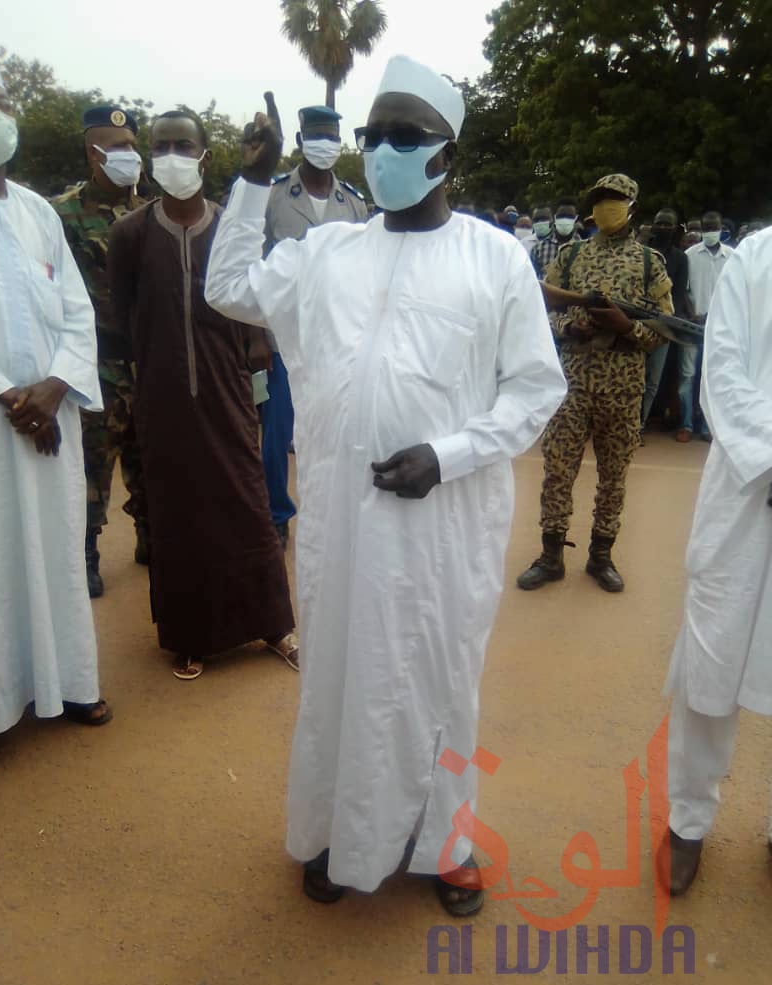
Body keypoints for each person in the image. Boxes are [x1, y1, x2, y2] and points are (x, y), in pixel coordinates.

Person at [204, 58, 567, 914]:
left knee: (437, 677)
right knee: (338, 674)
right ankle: (337, 828)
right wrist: (253, 183)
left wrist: (449, 453)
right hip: (341, 513)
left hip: (443, 522)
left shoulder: (496, 257)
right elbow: (226, 290)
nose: (384, 152)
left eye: (406, 137)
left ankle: (448, 845)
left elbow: (534, 387)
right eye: (375, 136)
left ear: (449, 155)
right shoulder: (328, 250)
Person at [106, 109, 297, 680]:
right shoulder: (129, 235)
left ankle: (271, 624)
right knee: (177, 515)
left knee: (246, 503)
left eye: (182, 145)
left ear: (204, 156)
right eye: (161, 145)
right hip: (161, 398)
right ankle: (189, 635)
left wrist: (258, 340)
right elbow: (122, 316)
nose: (171, 155)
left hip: (227, 389)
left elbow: (253, 294)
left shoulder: (228, 228)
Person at [657, 218, 772, 914]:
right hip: (747, 488)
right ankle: (688, 820)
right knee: (711, 661)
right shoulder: (761, 255)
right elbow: (723, 367)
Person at [0, 60, 111, 775]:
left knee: (58, 554)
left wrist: (58, 384)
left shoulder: (38, 211)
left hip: (51, 418)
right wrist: (9, 393)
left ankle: (68, 684)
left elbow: (77, 310)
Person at [517, 173, 672, 594]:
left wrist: (628, 329)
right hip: (571, 384)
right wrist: (572, 328)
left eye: (616, 200)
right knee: (557, 472)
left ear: (632, 206)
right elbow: (542, 311)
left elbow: (664, 330)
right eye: (602, 199)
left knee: (614, 476)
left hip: (623, 387)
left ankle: (600, 555)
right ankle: (551, 556)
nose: (608, 206)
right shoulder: (568, 257)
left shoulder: (648, 263)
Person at [52, 106, 150, 598]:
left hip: (147, 360)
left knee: (151, 456)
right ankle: (87, 552)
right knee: (94, 463)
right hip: (95, 364)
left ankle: (151, 538)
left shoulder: (152, 209)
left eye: (132, 145)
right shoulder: (62, 214)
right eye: (116, 146)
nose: (128, 155)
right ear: (93, 153)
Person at [261, 104, 367, 548]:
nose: (325, 144)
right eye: (316, 135)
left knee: (339, 429)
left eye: (331, 136)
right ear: (301, 141)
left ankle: (337, 511)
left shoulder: (356, 204)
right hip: (283, 338)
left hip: (341, 340)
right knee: (277, 434)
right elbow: (250, 266)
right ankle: (277, 514)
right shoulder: (273, 196)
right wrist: (255, 337)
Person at [676, 210, 733, 443]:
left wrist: (715, 315)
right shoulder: (689, 255)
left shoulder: (732, 256)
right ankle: (686, 425)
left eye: (714, 227)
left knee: (711, 378)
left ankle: (709, 427)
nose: (710, 231)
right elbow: (683, 290)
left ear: (721, 228)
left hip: (719, 328)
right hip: (692, 326)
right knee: (687, 377)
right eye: (706, 228)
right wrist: (693, 315)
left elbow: (733, 291)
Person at [640, 207, 693, 430]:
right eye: (659, 223)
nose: (662, 227)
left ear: (675, 228)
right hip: (637, 323)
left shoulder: (681, 259)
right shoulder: (641, 252)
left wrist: (669, 323)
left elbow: (679, 295)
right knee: (634, 375)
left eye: (667, 224)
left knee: (653, 380)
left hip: (664, 325)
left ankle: (639, 426)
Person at [530, 197, 580, 280]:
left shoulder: (584, 249)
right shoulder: (538, 249)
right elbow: (531, 279)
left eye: (570, 216)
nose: (565, 219)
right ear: (554, 217)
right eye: (561, 216)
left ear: (576, 219)